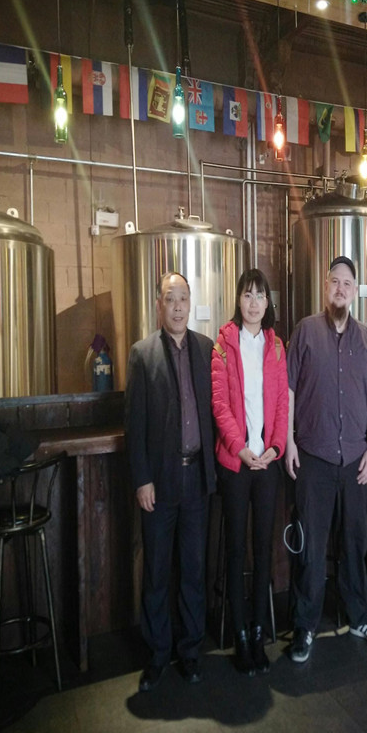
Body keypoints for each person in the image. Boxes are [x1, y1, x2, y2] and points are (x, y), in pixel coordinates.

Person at [285, 256, 367, 663]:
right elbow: (288, 391)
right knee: (311, 547)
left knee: (356, 542)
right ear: (325, 287)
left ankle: (360, 616)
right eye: (335, 281)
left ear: (355, 291)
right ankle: (305, 626)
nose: (340, 288)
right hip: (314, 457)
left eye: (347, 283)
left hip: (357, 461)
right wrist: (288, 441)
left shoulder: (366, 340)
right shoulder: (305, 332)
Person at [125, 271, 215, 691]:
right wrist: (142, 479)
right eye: (170, 299)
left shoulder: (207, 349)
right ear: (158, 305)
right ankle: (158, 654)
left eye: (183, 299)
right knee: (158, 572)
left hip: (197, 477)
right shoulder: (142, 354)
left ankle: (191, 651)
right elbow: (134, 424)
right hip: (159, 483)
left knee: (194, 570)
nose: (177, 307)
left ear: (190, 303)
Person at [211, 269, 288, 676]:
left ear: (267, 302)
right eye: (247, 294)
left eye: (260, 295)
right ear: (238, 300)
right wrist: (240, 449)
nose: (254, 302)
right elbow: (220, 404)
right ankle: (240, 634)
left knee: (263, 550)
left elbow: (281, 405)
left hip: (268, 464)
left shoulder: (276, 346)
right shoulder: (224, 344)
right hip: (236, 465)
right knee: (236, 550)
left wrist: (275, 447)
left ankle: (258, 632)